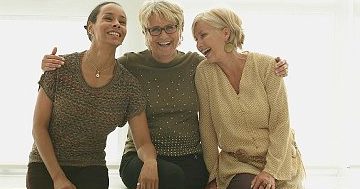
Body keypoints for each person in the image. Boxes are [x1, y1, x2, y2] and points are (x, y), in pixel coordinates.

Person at [40, 1, 289, 189]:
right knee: (171, 178)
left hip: (190, 157)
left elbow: (234, 59)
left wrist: (275, 64)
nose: (163, 36)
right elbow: (97, 66)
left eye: (170, 28)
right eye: (154, 30)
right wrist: (55, 63)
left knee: (183, 178)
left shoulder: (198, 65)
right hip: (139, 157)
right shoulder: (130, 65)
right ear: (145, 34)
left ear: (180, 31)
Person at [26, 2, 158, 189]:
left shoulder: (129, 86)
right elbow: (38, 128)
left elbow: (143, 142)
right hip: (45, 165)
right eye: (108, 18)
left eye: (122, 21)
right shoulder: (59, 69)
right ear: (90, 27)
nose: (117, 24)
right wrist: (58, 178)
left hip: (91, 168)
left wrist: (151, 162)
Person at [192, 8, 305, 189]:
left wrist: (270, 171)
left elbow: (281, 122)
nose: (198, 44)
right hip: (238, 164)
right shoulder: (204, 73)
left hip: (279, 160)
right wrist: (213, 178)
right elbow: (207, 128)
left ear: (225, 33)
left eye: (203, 35)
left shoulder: (268, 66)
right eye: (196, 39)